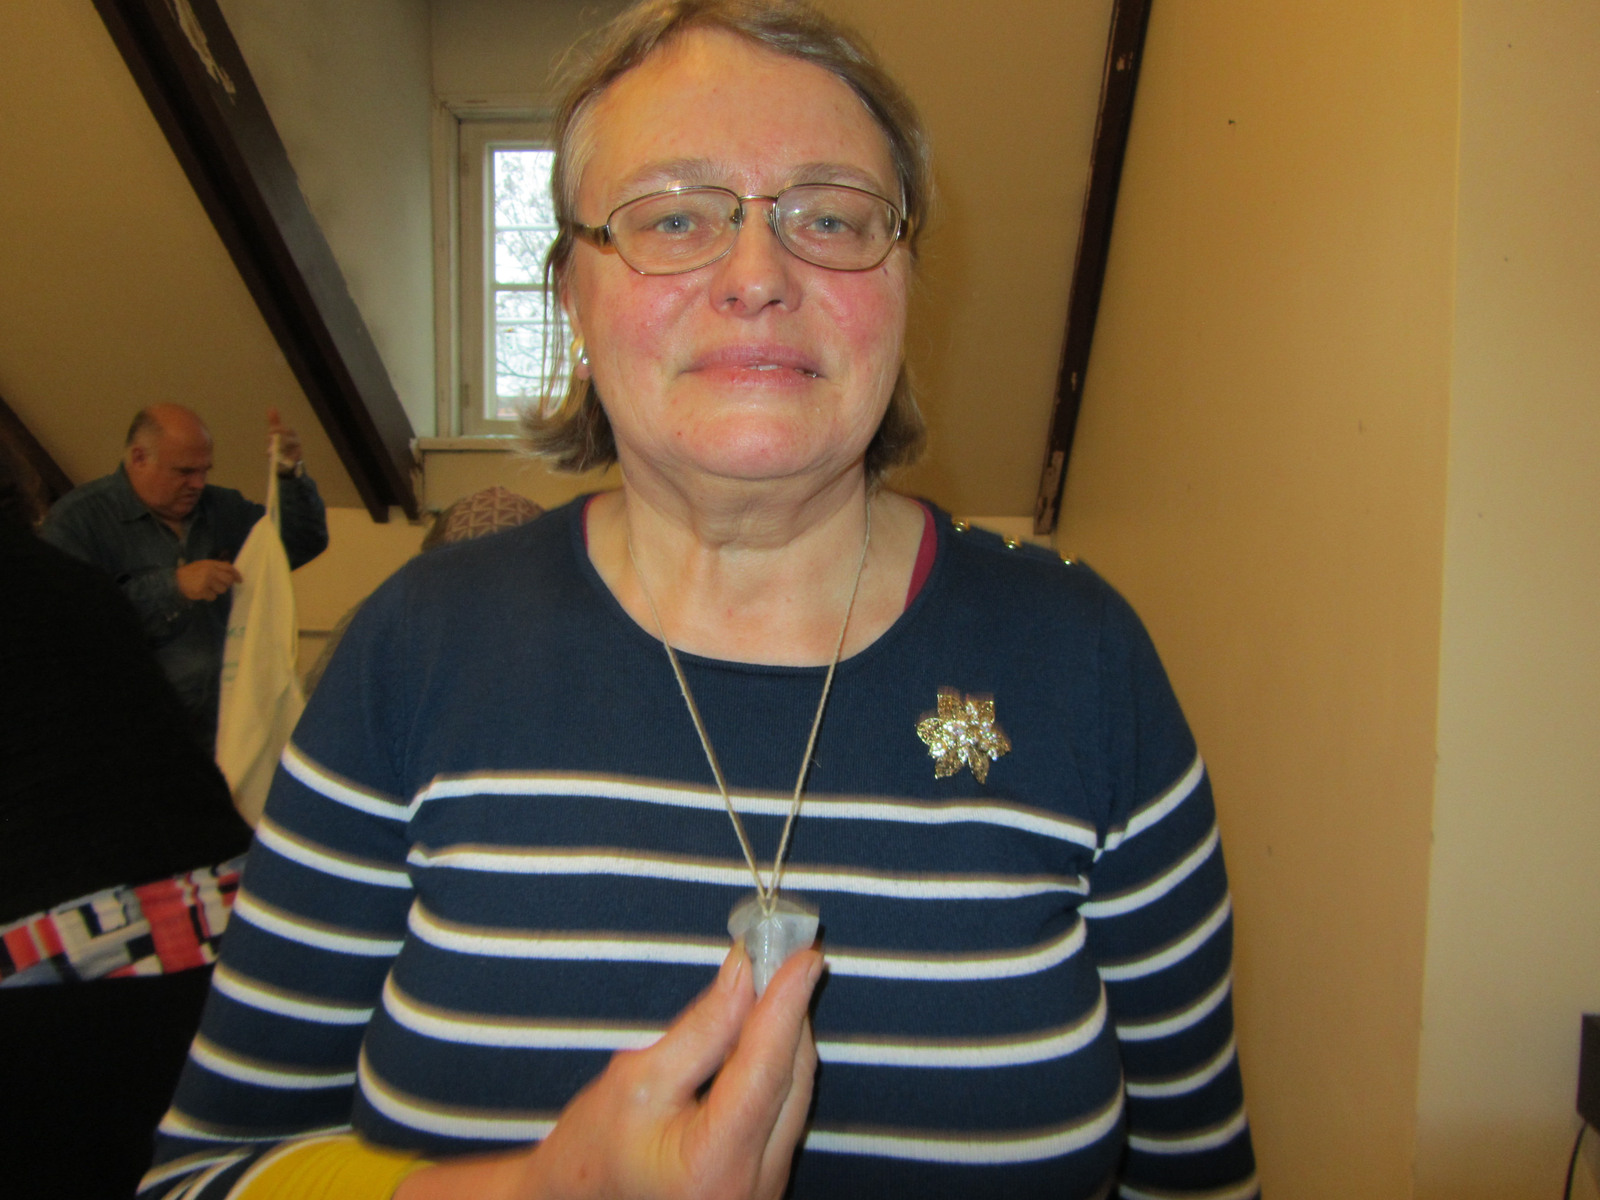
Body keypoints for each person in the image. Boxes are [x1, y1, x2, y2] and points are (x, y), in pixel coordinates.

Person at [148, 3, 1258, 1198]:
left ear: (902, 286)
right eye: (674, 217)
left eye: (828, 216)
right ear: (572, 297)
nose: (758, 276)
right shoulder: (414, 651)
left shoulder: (1083, 660)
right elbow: (204, 1173)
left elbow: (1195, 1177)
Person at [41, 404, 328, 751]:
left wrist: (289, 474)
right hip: (131, 735)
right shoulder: (78, 521)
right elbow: (66, 622)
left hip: (231, 728)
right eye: (184, 472)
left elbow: (301, 542)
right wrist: (172, 587)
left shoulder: (222, 509)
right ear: (139, 458)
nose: (198, 484)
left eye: (204, 471)